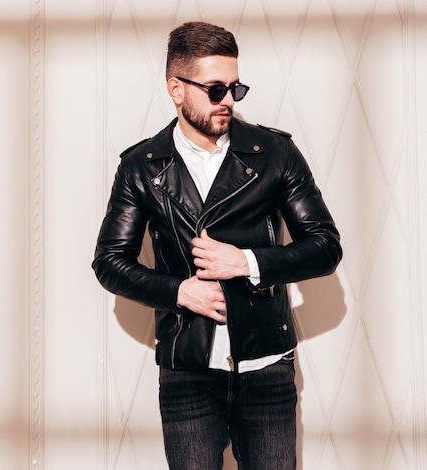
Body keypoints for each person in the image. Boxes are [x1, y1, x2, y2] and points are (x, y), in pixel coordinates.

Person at [92, 21, 342, 470]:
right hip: (187, 372)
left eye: (235, 88)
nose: (228, 100)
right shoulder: (141, 166)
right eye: (215, 89)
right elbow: (110, 261)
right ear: (176, 88)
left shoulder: (275, 153)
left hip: (267, 367)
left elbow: (325, 246)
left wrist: (246, 262)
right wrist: (178, 291)